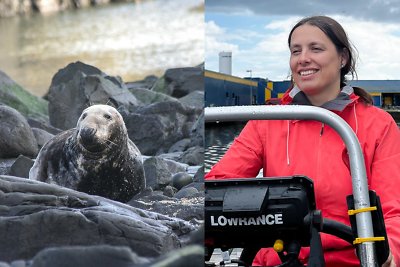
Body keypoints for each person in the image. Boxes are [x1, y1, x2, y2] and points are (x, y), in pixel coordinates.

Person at [205, 15, 400, 267]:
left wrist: (390, 253)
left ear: (343, 58)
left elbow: (394, 210)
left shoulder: (379, 125)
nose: (303, 58)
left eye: (315, 48)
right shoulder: (268, 121)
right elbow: (218, 185)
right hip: (280, 259)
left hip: (352, 260)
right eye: (295, 51)